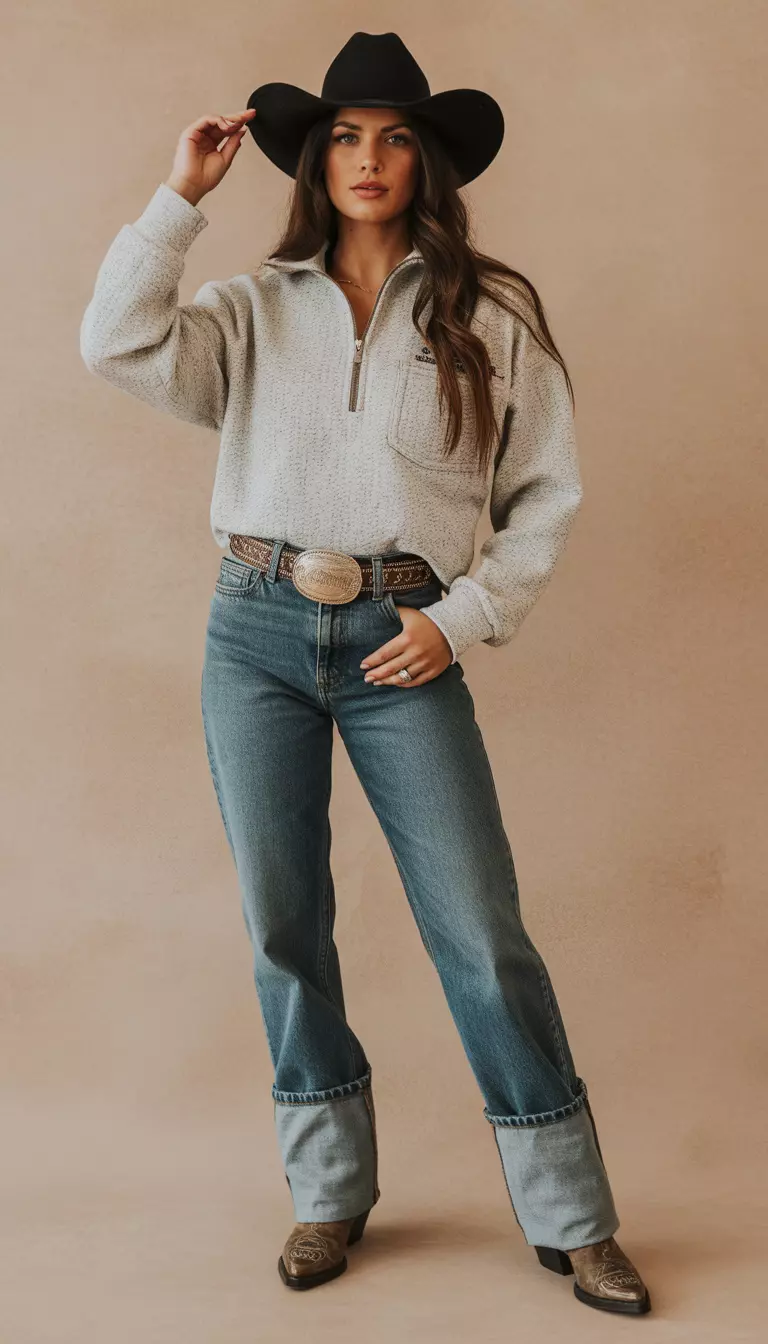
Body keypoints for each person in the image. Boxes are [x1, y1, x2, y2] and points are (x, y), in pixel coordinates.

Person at [79, 30, 651, 1315]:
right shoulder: (247, 309)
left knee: (481, 933)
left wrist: (468, 615)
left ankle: (572, 1215)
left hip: (408, 642)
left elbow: (546, 496)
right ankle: (329, 1195)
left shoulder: (489, 314)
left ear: (429, 159)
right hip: (255, 632)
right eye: (344, 134)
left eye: (395, 135)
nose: (369, 157)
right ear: (312, 159)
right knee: (286, 927)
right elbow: (113, 343)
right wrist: (179, 200)